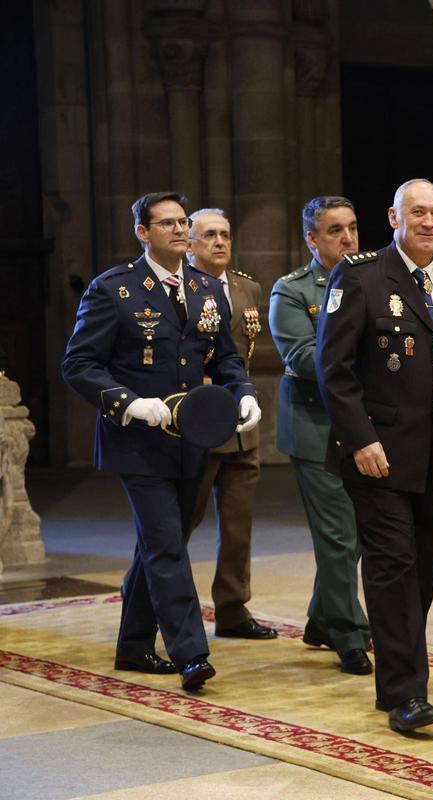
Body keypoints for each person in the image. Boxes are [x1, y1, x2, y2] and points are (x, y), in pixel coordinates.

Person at [316, 179, 433, 732]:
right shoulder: (360, 275)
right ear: (394, 216)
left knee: (421, 571)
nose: (429, 222)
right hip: (378, 454)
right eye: (417, 212)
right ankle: (406, 695)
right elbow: (335, 369)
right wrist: (360, 439)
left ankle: (394, 677)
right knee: (393, 568)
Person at [61, 191, 261, 692]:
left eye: (183, 221)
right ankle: (191, 653)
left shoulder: (206, 289)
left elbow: (225, 358)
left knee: (158, 543)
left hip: (192, 439)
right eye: (166, 222)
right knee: (167, 544)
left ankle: (132, 644)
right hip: (138, 440)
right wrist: (127, 402)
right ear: (143, 233)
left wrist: (244, 393)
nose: (178, 229)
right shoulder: (116, 289)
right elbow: (79, 364)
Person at [269, 196, 373, 676]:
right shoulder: (291, 291)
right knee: (338, 533)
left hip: (361, 425)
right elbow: (303, 359)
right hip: (315, 427)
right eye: (335, 230)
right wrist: (368, 362)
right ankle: (349, 634)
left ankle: (321, 619)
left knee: (351, 535)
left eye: (352, 228)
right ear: (312, 239)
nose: (348, 238)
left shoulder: (372, 280)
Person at [184, 208, 276, 641]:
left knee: (238, 524)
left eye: (225, 234)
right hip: (199, 420)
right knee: (182, 521)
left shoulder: (246, 287)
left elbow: (244, 353)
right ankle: (151, 601)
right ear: (190, 244)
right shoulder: (179, 289)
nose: (219, 242)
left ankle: (233, 609)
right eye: (208, 236)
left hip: (241, 422)